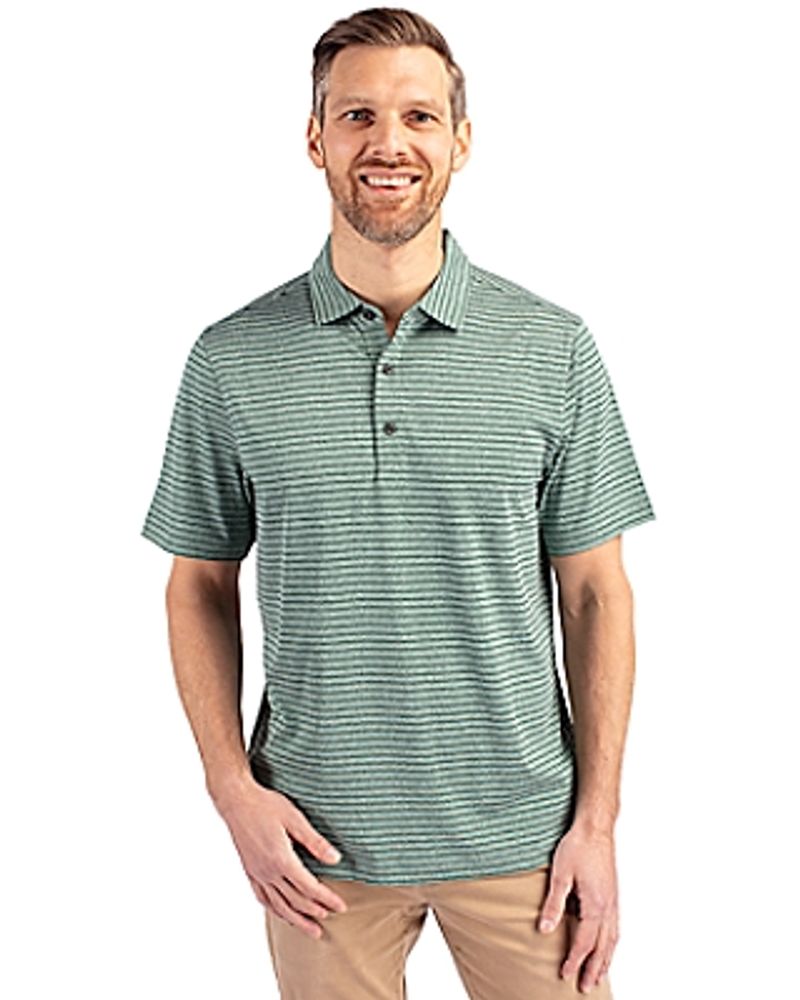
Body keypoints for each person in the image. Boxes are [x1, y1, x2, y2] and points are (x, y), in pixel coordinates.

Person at [140, 7, 656, 998]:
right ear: (315, 139)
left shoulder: (552, 348)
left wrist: (597, 823)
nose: (389, 142)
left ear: (460, 142)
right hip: (314, 849)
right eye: (357, 115)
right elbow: (197, 583)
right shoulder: (231, 359)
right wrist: (231, 790)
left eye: (419, 117)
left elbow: (597, 592)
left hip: (527, 841)